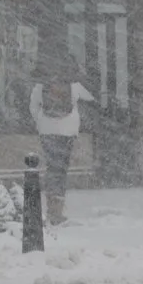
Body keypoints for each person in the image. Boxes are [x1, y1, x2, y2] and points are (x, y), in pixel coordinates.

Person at [31, 73, 96, 226]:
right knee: (61, 169)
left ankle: (51, 208)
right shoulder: (74, 85)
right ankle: (57, 210)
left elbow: (33, 106)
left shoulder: (40, 86)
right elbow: (91, 97)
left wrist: (41, 122)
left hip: (47, 131)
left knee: (52, 166)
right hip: (67, 131)